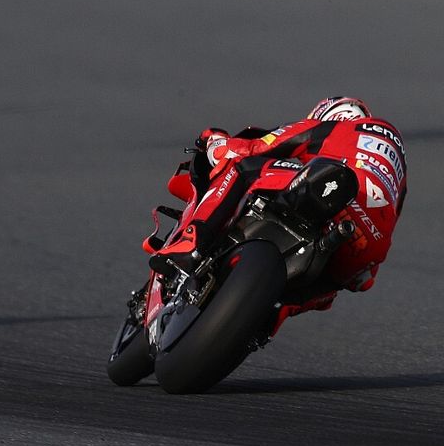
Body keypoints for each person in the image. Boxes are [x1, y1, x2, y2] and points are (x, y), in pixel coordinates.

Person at [152, 96, 406, 325]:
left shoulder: (337, 129)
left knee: (242, 164)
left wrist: (217, 141)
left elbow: (262, 145)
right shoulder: (400, 170)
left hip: (332, 188)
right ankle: (270, 318)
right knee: (331, 285)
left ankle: (193, 240)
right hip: (367, 249)